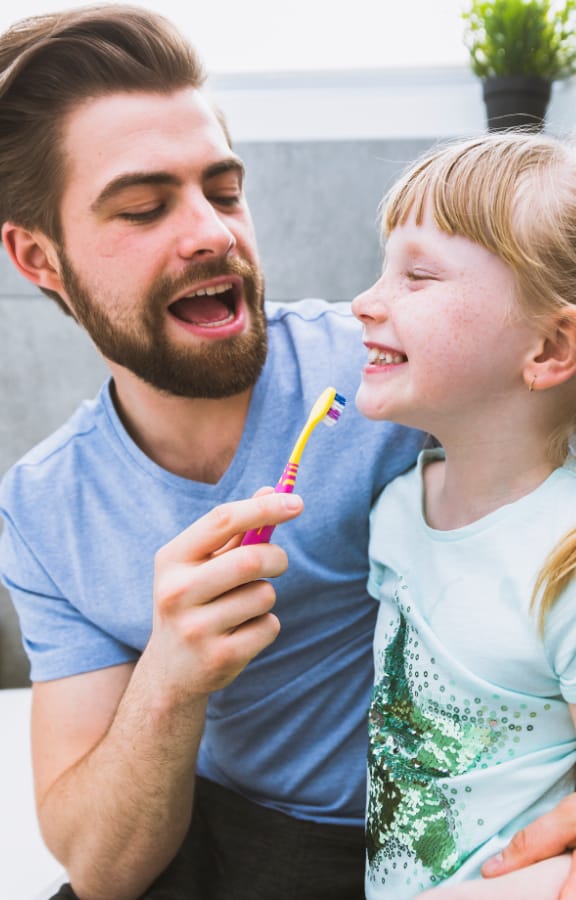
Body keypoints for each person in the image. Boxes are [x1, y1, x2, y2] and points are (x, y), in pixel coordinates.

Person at [0, 6, 572, 900]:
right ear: (39, 257)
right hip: (230, 834)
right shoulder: (44, 510)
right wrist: (170, 682)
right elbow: (103, 868)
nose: (212, 233)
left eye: (224, 191)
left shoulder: (397, 373)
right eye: (146, 207)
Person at [351, 131, 576, 899]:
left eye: (417, 276)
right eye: (384, 268)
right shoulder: (394, 515)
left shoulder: (565, 559)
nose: (366, 301)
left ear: (548, 346)